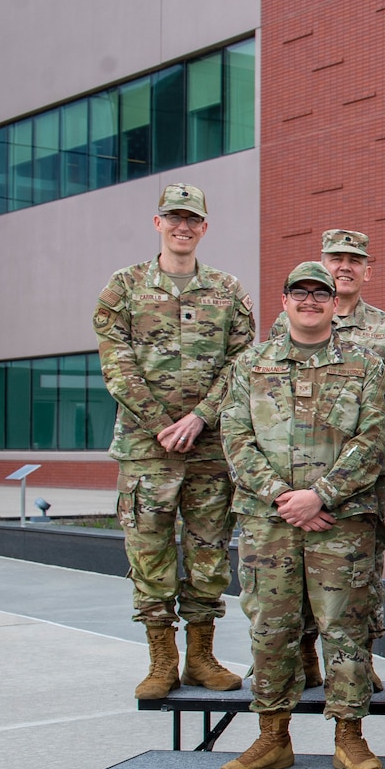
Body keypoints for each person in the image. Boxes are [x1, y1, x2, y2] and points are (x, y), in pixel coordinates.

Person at [217, 262, 385, 769]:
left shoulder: (365, 365)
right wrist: (282, 498)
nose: (311, 300)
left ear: (335, 303)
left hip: (340, 520)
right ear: (285, 300)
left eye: (321, 292)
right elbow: (236, 438)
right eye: (301, 292)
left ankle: (349, 738)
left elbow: (373, 440)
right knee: (271, 628)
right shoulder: (251, 365)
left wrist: (320, 496)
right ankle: (272, 737)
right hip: (267, 523)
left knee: (345, 628)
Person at [93, 183, 255, 700]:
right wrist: (164, 421)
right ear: (157, 223)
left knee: (208, 552)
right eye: (173, 218)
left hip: (208, 448)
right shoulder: (123, 287)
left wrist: (200, 418)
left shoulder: (228, 291)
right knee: (149, 552)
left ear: (204, 228)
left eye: (192, 219)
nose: (182, 227)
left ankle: (201, 658)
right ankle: (161, 660)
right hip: (147, 447)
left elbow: (241, 363)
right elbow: (115, 364)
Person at [269, 229, 385, 693]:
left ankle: (359, 655)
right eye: (335, 258)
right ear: (321, 264)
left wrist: (332, 479)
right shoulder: (285, 321)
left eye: (354, 259)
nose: (344, 266)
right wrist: (301, 488)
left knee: (362, 568)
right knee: (298, 566)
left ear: (367, 271)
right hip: (294, 477)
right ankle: (307, 651)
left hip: (358, 475)